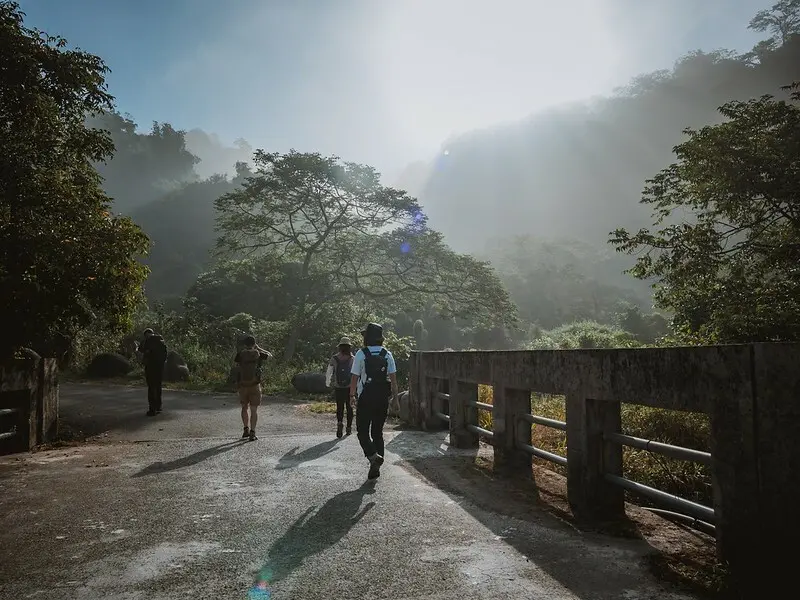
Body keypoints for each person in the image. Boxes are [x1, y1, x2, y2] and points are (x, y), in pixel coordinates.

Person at [350, 323, 398, 480]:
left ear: (366, 338)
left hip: (366, 397)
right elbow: (393, 379)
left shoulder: (361, 354)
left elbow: (354, 377)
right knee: (377, 432)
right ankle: (376, 464)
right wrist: (395, 398)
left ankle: (372, 456)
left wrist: (352, 396)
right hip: (382, 398)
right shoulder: (387, 354)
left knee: (362, 431)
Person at [234, 335, 272, 441]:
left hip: (242, 385)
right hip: (254, 385)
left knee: (244, 407)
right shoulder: (258, 354)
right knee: (254, 409)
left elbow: (237, 365)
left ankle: (245, 429)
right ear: (254, 343)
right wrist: (259, 348)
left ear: (245, 344)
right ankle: (252, 432)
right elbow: (270, 356)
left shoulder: (240, 354)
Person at [326, 337, 354, 439]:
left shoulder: (334, 358)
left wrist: (327, 382)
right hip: (350, 387)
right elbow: (356, 374)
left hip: (338, 386)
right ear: (349, 347)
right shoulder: (353, 359)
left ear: (340, 347)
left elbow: (329, 371)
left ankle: (339, 422)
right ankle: (349, 428)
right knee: (350, 407)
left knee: (340, 407)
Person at [138, 328, 168, 417]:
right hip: (160, 367)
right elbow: (165, 355)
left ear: (146, 334)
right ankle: (158, 406)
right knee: (158, 386)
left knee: (151, 387)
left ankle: (152, 409)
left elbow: (141, 351)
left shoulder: (147, 342)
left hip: (150, 367)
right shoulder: (161, 340)